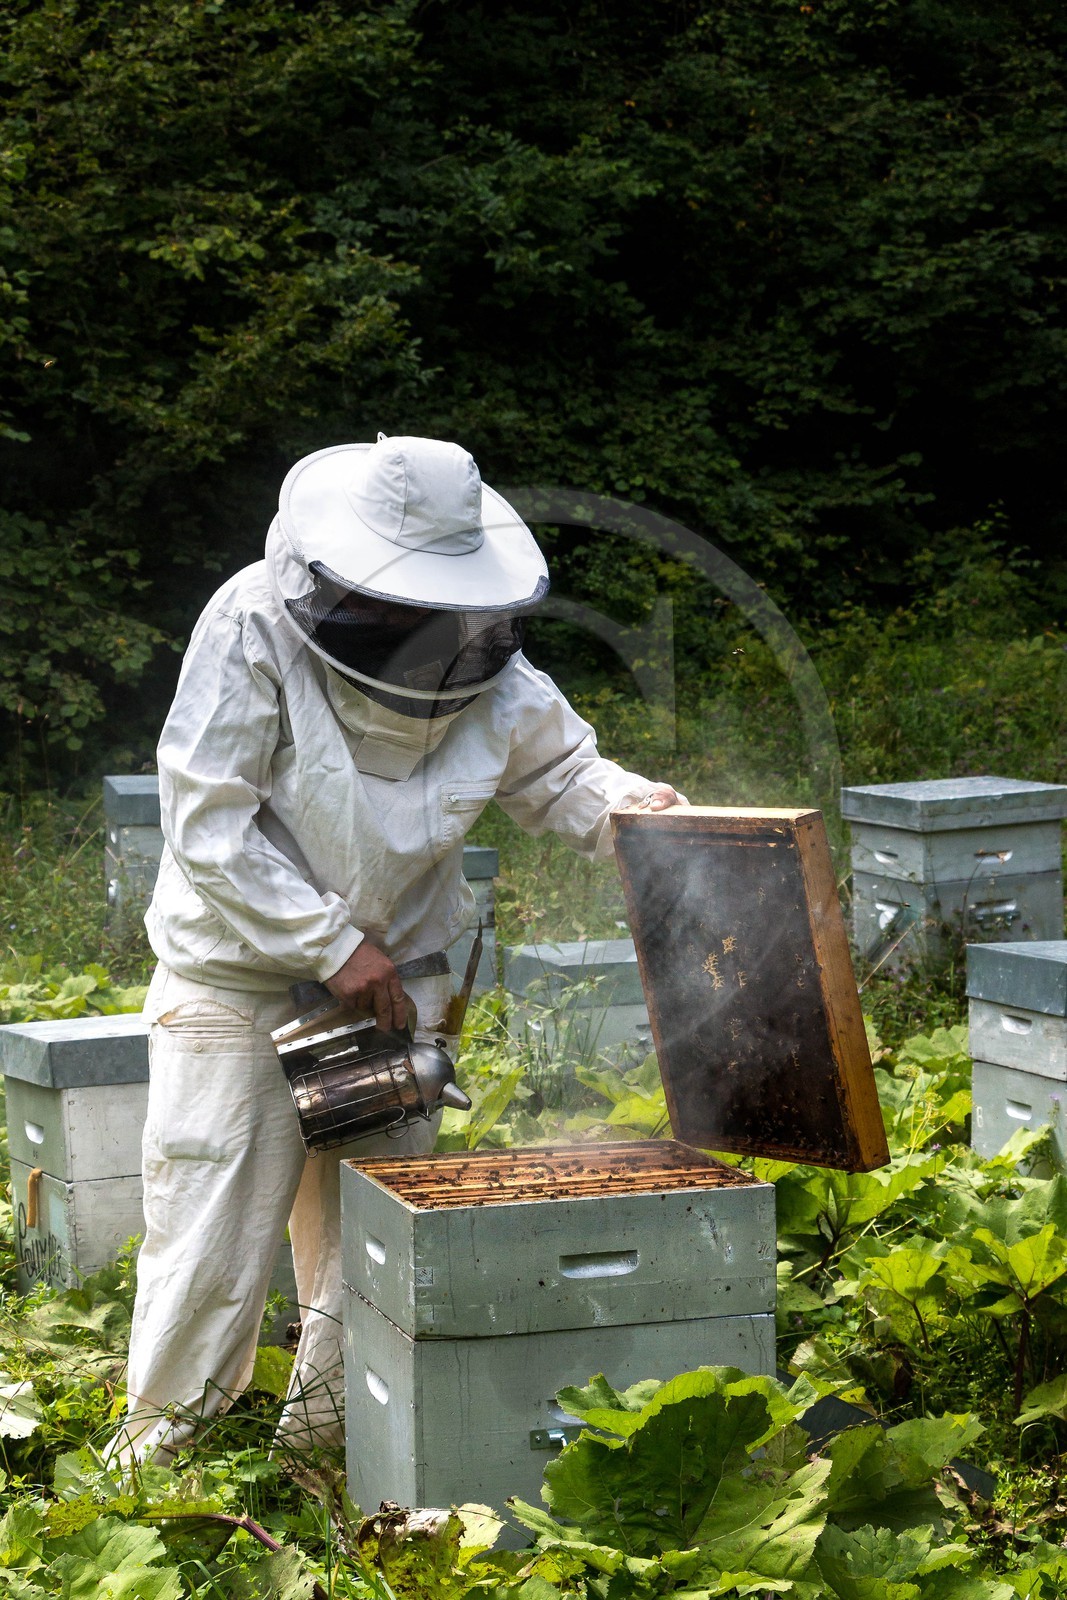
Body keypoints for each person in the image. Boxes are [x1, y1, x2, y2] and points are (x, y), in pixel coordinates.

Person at [113, 433, 685, 1463]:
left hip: (386, 995)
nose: (422, 625)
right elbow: (206, 820)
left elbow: (557, 770)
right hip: (236, 980)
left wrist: (634, 809)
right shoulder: (253, 622)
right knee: (207, 1239)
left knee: (370, 1240)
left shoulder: (485, 660)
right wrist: (330, 943)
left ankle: (329, 1450)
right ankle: (154, 1476)